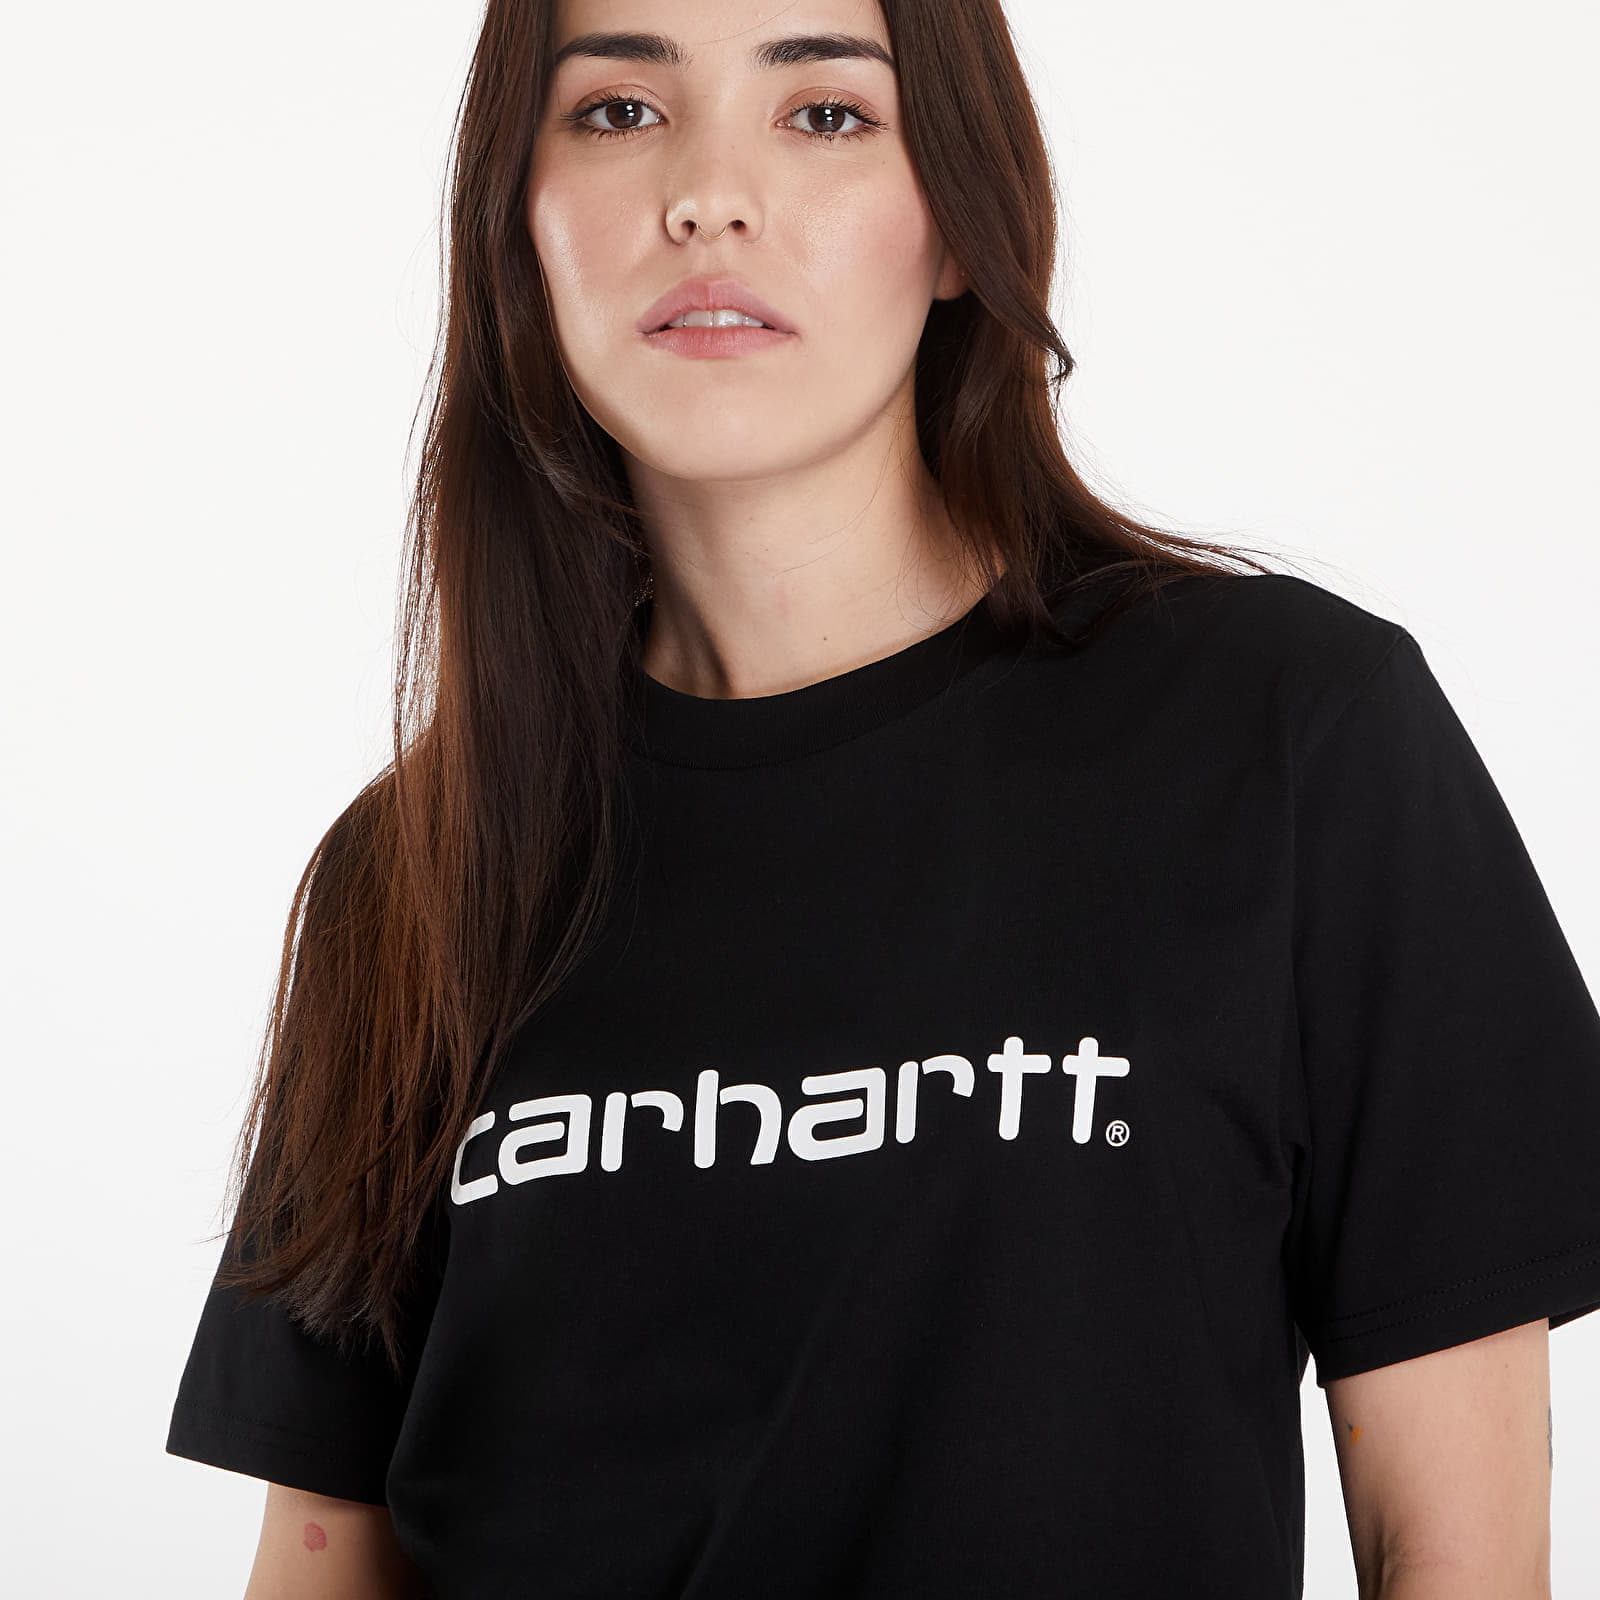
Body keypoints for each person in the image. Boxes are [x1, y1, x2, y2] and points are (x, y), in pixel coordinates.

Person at [165, 0, 1600, 1595]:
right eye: (619, 111)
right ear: (518, 219)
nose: (709, 196)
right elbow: (325, 1558)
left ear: (964, 227)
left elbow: (1463, 1555)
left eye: (827, 112)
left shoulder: (1286, 736)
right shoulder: (410, 875)